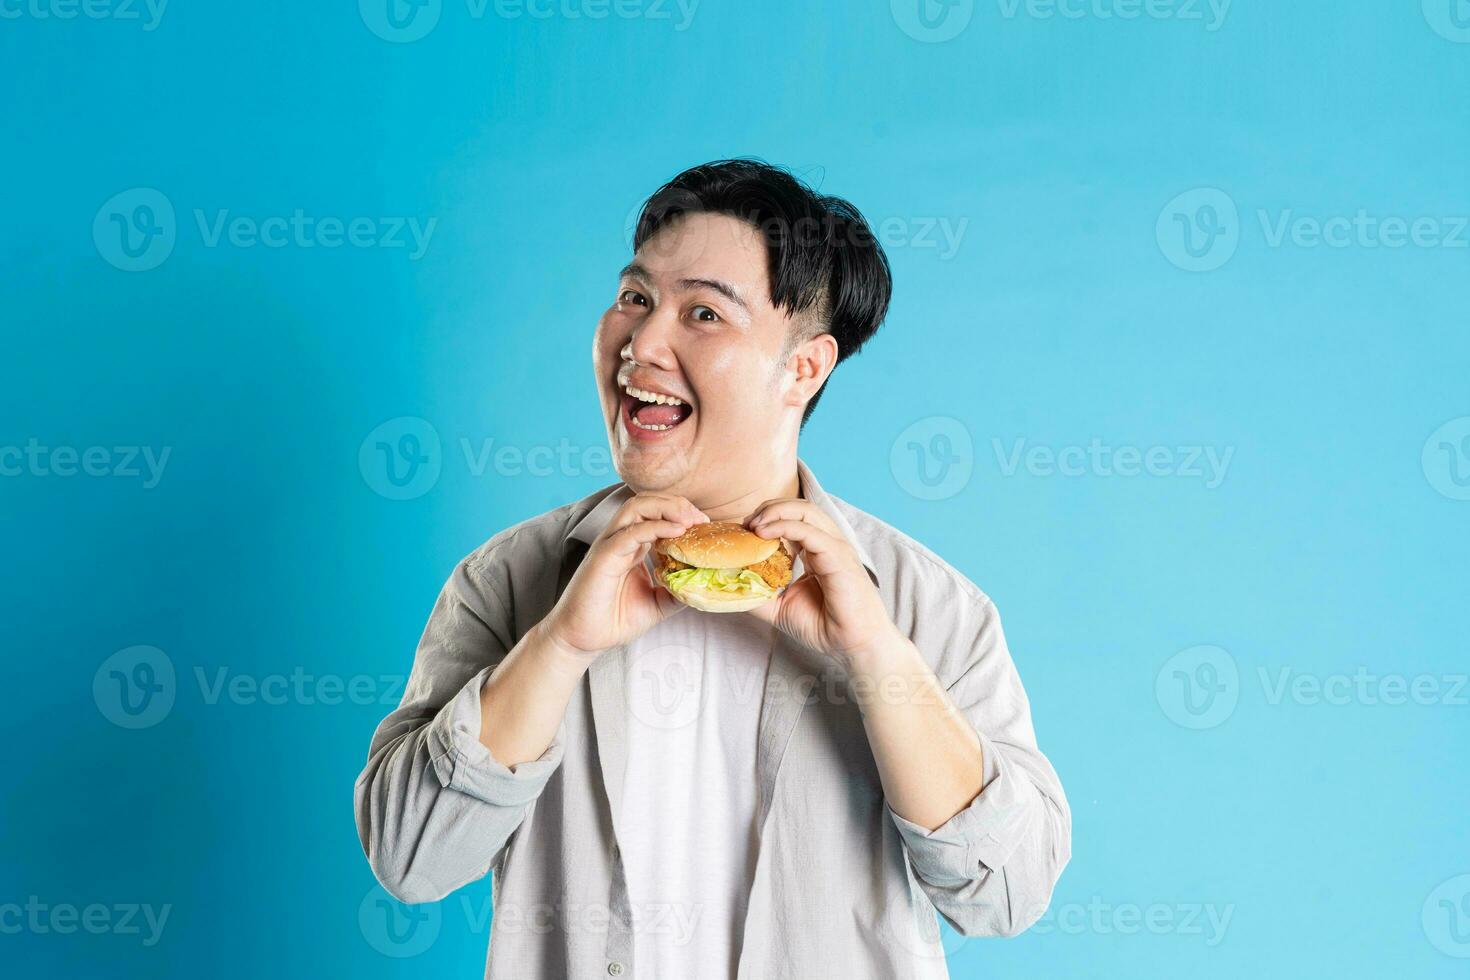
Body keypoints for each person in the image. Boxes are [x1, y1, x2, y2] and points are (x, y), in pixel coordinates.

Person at [354, 159, 1071, 980]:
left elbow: (1006, 894)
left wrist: (876, 658)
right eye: (635, 299)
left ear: (803, 368)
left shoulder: (928, 607)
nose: (643, 344)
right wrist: (557, 646)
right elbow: (409, 858)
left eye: (702, 312)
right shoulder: (509, 581)